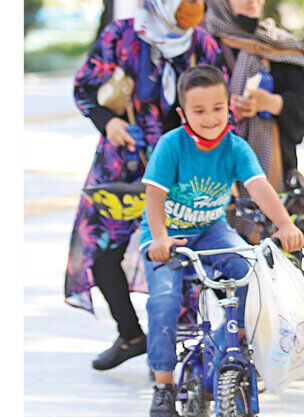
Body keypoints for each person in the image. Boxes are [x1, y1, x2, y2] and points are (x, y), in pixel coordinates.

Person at [140, 66, 304, 417]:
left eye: (217, 108)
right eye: (199, 111)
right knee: (163, 301)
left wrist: (286, 223)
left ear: (228, 108)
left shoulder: (234, 146)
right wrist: (159, 238)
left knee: (249, 270)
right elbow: (153, 197)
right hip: (166, 234)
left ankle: (230, 342)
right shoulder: (172, 145)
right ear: (183, 114)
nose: (210, 118)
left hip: (212, 230)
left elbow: (259, 187)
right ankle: (164, 384)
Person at [68, 0, 228, 371]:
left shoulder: (201, 44)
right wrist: (110, 123)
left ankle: (179, 347)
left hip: (182, 172)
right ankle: (131, 335)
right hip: (124, 164)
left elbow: (221, 106)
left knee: (183, 252)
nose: (192, 6)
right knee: (101, 249)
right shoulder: (120, 35)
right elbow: (84, 90)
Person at [202, 0, 304, 193]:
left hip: (274, 172)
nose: (253, 2)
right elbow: (179, 109)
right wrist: (221, 112)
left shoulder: (280, 46)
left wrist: (271, 103)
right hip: (209, 175)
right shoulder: (200, 45)